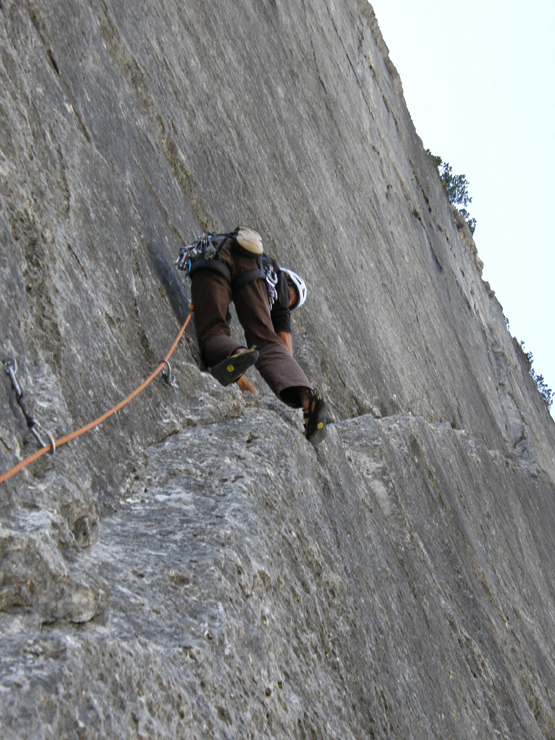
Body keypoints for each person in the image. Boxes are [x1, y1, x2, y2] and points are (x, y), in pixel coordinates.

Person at [176, 227, 327, 445]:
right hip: (254, 272)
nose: (289, 299)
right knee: (266, 342)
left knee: (214, 333)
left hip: (213, 256)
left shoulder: (266, 262)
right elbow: (283, 345)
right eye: (292, 297)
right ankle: (308, 397)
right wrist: (295, 383)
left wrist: (248, 387)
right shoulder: (279, 281)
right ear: (289, 283)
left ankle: (235, 352)